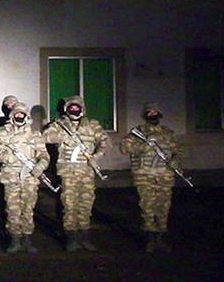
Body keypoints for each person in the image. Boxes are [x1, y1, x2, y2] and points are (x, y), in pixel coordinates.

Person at [43, 95, 111, 252]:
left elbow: (105, 142)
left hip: (86, 171)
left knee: (85, 204)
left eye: (77, 107)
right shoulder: (59, 125)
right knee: (69, 205)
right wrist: (63, 137)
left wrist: (96, 156)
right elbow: (45, 137)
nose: (74, 110)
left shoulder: (92, 125)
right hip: (68, 173)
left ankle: (84, 237)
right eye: (71, 107)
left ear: (82, 109)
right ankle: (71, 238)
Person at [120, 102, 182, 253]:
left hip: (164, 175)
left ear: (159, 114)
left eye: (155, 112)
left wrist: (175, 160)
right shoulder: (137, 132)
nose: (153, 114)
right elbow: (124, 148)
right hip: (145, 175)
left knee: (163, 207)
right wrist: (144, 147)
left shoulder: (168, 133)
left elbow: (178, 150)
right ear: (145, 115)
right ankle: (150, 240)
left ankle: (160, 239)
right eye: (150, 112)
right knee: (147, 207)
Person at [0, 101, 50, 253]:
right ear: (12, 115)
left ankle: (27, 239)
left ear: (26, 116)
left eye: (22, 114)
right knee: (13, 209)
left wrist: (40, 166)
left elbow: (44, 155)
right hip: (11, 177)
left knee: (28, 209)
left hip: (29, 177)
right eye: (16, 114)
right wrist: (7, 157)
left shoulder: (34, 134)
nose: (19, 116)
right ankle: (14, 239)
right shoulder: (3, 132)